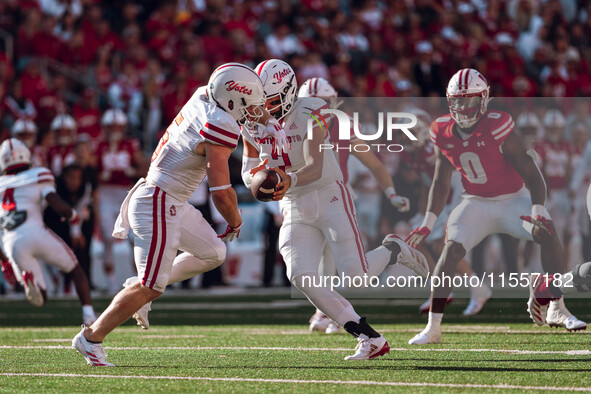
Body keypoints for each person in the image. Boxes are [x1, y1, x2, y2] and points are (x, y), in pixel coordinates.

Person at [72, 63, 283, 367]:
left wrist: (267, 120)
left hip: (169, 199)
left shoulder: (204, 96)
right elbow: (221, 191)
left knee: (213, 252)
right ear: (233, 101)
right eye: (249, 105)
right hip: (158, 201)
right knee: (151, 287)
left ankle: (138, 286)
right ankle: (91, 338)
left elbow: (238, 107)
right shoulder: (221, 123)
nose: (253, 111)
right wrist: (235, 219)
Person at [243, 59, 429, 359]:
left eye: (270, 101)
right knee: (300, 274)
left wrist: (285, 178)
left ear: (289, 92)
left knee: (357, 276)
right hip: (294, 204)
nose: (263, 110)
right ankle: (368, 337)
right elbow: (248, 169)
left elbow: (315, 167)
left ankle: (394, 249)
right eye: (258, 103)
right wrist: (259, 180)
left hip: (329, 196)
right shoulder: (250, 121)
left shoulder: (312, 109)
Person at [406, 68, 586, 345]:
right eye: (458, 101)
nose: (464, 107)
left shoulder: (498, 124)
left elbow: (531, 172)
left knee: (547, 233)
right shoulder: (440, 130)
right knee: (450, 250)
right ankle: (433, 328)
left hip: (513, 200)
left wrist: (538, 207)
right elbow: (440, 182)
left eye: (470, 100)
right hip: (475, 203)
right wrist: (427, 222)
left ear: (484, 99)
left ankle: (557, 307)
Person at [298, 77, 413, 333]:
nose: (320, 108)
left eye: (324, 103)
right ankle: (325, 311)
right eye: (313, 103)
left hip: (336, 195)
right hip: (304, 196)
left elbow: (373, 163)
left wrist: (391, 193)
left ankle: (327, 312)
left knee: (339, 260)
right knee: (315, 260)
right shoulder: (292, 124)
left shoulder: (342, 125)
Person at [0, 138, 97, 324]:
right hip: (36, 231)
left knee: (41, 299)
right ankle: (89, 314)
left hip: (11, 241)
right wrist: (74, 216)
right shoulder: (38, 174)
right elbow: (59, 207)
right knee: (76, 269)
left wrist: (4, 262)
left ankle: (32, 282)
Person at [96, 108, 148, 292]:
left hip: (125, 193)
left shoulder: (130, 144)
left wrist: (132, 172)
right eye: (112, 126)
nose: (115, 130)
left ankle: (139, 282)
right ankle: (111, 285)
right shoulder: (99, 145)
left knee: (133, 240)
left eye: (118, 126)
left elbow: (145, 168)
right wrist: (101, 175)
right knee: (108, 240)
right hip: (106, 194)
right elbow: (91, 172)